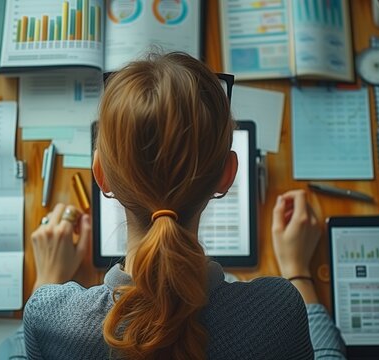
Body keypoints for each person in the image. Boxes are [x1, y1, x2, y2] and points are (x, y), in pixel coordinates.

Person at [22, 52, 345, 359]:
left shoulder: (50, 316)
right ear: (227, 175)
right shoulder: (277, 310)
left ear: (100, 175)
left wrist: (46, 279)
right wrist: (299, 273)